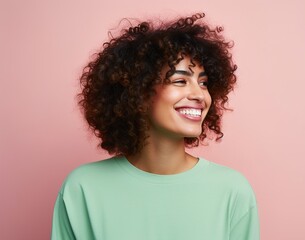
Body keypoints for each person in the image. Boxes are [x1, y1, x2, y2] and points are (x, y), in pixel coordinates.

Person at [51, 13, 259, 240]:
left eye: (204, 83)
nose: (199, 95)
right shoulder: (82, 189)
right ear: (138, 92)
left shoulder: (232, 191)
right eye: (180, 81)